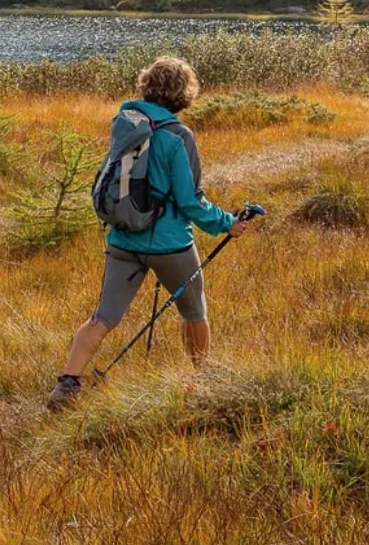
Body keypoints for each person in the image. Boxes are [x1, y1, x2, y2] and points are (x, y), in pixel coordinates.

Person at [48, 55, 253, 410]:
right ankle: (204, 382)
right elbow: (190, 202)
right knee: (194, 313)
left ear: (146, 84)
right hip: (170, 244)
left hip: (122, 239)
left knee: (103, 317)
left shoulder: (125, 123)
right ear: (184, 92)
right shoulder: (178, 136)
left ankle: (67, 386)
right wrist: (228, 224)